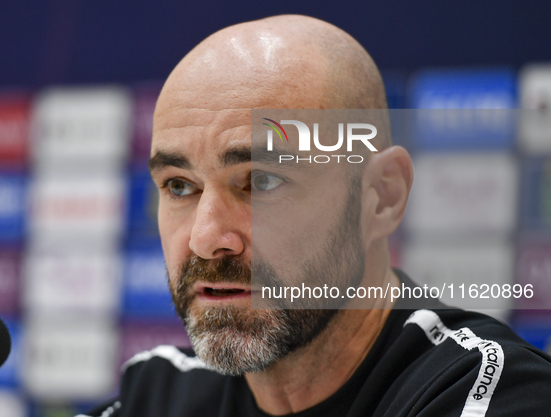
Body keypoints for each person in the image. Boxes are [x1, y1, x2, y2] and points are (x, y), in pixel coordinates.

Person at [81, 15, 551, 417]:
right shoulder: (159, 394)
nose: (206, 238)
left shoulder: (486, 391)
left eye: (261, 181)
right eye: (179, 186)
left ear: (382, 197)